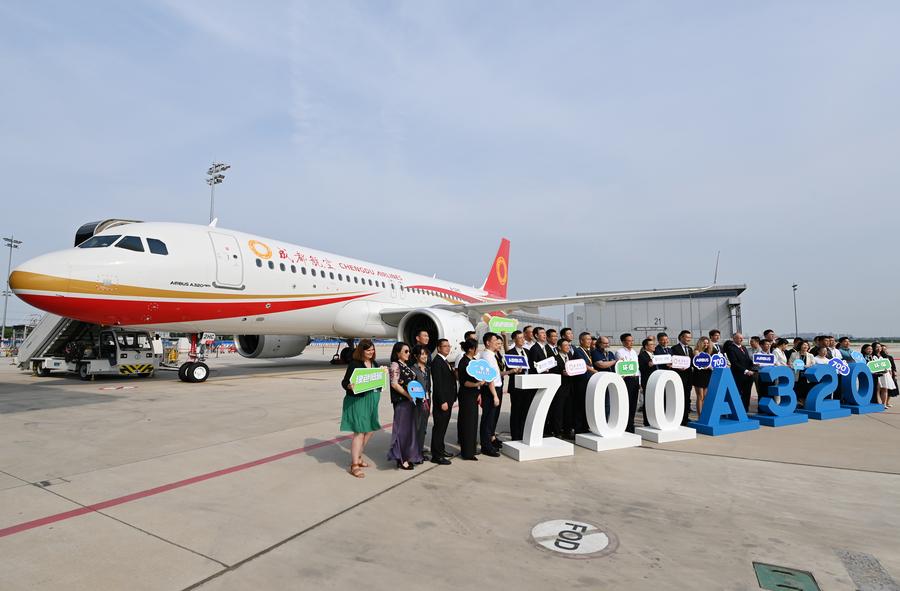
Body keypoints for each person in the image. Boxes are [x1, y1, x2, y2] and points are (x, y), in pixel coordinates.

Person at [340, 339, 382, 478]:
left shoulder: (374, 363)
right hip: (358, 401)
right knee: (359, 432)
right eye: (368, 350)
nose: (371, 352)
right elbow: (345, 381)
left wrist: (383, 373)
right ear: (361, 351)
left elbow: (377, 382)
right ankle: (354, 464)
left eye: (372, 350)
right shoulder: (355, 364)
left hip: (371, 400)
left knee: (369, 430)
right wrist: (349, 386)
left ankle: (357, 456)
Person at [386, 342, 422, 470]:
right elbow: (394, 384)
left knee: (409, 430)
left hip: (409, 401)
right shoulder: (395, 365)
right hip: (402, 401)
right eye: (405, 351)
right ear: (398, 353)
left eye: (409, 351)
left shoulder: (406, 365)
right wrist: (408, 395)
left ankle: (407, 455)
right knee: (401, 431)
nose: (408, 354)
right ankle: (401, 458)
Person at [429, 339, 456, 464]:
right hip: (443, 401)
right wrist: (443, 401)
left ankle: (441, 449)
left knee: (443, 427)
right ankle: (437, 455)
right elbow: (438, 384)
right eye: (444, 346)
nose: (447, 348)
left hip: (449, 400)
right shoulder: (437, 362)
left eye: (448, 346)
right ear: (438, 348)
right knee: (439, 428)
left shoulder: (445, 361)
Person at [456, 339, 484, 460]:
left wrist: (478, 391)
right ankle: (467, 453)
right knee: (467, 423)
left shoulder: (473, 361)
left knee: (473, 423)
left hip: (473, 394)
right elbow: (464, 382)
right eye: (476, 348)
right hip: (466, 395)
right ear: (471, 349)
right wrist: (478, 384)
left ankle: (471, 449)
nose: (477, 350)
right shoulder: (464, 362)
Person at [478, 332, 504, 457]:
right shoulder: (487, 356)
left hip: (495, 388)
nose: (497, 342)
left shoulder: (492, 355)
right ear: (488, 342)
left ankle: (489, 442)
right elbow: (489, 378)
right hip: (490, 391)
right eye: (494, 340)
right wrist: (494, 395)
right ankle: (486, 446)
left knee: (491, 419)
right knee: (488, 419)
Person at [570, 332, 599, 436]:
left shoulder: (589, 351)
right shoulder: (578, 351)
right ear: (581, 341)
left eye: (590, 339)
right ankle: (578, 429)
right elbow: (583, 365)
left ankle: (585, 426)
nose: (589, 341)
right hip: (581, 382)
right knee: (579, 405)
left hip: (589, 381)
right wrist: (593, 371)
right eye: (587, 339)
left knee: (586, 405)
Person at [507, 330, 532, 441]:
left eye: (523, 338)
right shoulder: (510, 353)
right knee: (516, 412)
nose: (522, 340)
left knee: (525, 411)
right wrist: (514, 370)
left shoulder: (527, 351)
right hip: (516, 387)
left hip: (527, 386)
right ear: (514, 340)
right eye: (520, 338)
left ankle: (523, 434)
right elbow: (508, 369)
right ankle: (515, 435)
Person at [409, 344, 432, 463]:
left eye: (425, 354)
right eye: (422, 354)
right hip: (417, 402)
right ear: (416, 356)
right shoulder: (413, 370)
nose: (424, 356)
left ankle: (419, 450)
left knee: (423, 427)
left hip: (427, 400)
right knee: (416, 427)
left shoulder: (427, 369)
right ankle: (414, 454)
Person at [615, 333, 640, 433]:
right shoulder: (619, 352)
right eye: (628, 341)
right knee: (627, 402)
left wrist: (639, 381)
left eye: (632, 340)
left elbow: (637, 367)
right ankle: (626, 424)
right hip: (627, 379)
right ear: (623, 342)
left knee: (634, 403)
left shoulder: (634, 352)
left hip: (635, 378)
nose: (631, 342)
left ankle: (631, 423)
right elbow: (622, 366)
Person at [549, 339, 574, 437]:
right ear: (559, 347)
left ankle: (567, 431)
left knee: (568, 410)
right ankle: (557, 431)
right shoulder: (554, 358)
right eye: (565, 345)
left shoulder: (571, 357)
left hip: (570, 387)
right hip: (559, 388)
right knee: (558, 410)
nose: (568, 347)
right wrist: (561, 373)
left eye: (568, 345)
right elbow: (551, 372)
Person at [724, 332, 755, 412]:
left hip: (748, 376)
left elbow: (747, 360)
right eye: (739, 338)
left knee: (747, 393)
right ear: (734, 339)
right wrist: (746, 371)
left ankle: (745, 410)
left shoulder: (744, 348)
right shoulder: (731, 348)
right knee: (737, 393)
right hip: (738, 375)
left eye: (742, 338)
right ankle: (737, 410)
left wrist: (754, 364)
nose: (741, 339)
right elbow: (734, 363)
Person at [672, 330, 694, 424]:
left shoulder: (690, 349)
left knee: (687, 398)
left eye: (690, 337)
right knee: (679, 398)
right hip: (679, 376)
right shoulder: (674, 348)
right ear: (681, 337)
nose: (689, 339)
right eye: (687, 337)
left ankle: (685, 417)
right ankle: (678, 418)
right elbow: (672, 362)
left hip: (688, 377)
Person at [638, 336, 657, 427]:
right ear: (646, 347)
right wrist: (648, 365)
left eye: (654, 344)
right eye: (651, 345)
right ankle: (647, 422)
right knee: (648, 401)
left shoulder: (655, 354)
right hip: (648, 381)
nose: (654, 346)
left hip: (656, 380)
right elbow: (641, 369)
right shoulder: (642, 355)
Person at [789, 340, 814, 405]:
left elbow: (813, 365)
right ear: (800, 346)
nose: (805, 346)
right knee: (797, 390)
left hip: (807, 376)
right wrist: (797, 366)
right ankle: (798, 403)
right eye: (804, 345)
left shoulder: (810, 355)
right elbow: (790, 364)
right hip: (797, 375)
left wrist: (807, 366)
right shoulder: (794, 354)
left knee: (806, 390)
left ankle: (804, 403)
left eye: (807, 345)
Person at [692, 336, 712, 417]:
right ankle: (700, 415)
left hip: (707, 375)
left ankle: (704, 415)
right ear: (700, 343)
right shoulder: (696, 351)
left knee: (705, 397)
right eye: (704, 343)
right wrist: (707, 366)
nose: (706, 345)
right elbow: (699, 363)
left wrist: (710, 367)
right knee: (700, 396)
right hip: (699, 375)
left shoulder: (709, 352)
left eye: (707, 343)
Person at [873, 343, 895, 407]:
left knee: (885, 389)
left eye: (879, 347)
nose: (879, 348)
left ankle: (884, 404)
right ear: (874, 348)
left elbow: (889, 365)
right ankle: (878, 403)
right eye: (877, 347)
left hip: (885, 374)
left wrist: (890, 372)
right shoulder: (872, 356)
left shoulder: (884, 355)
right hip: (877, 375)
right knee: (877, 389)